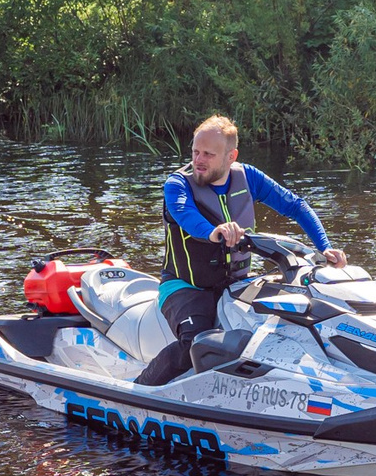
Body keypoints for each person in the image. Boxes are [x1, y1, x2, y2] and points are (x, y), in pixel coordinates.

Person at [137, 114, 344, 386]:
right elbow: (187, 216)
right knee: (195, 345)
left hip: (236, 283)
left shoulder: (248, 178)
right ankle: (138, 389)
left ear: (230, 156)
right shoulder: (178, 185)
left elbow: (296, 206)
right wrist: (214, 232)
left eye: (208, 154)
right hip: (185, 286)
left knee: (287, 326)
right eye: (195, 151)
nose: (198, 160)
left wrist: (325, 248)